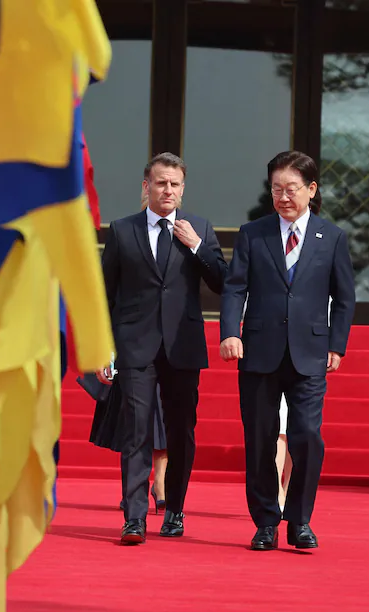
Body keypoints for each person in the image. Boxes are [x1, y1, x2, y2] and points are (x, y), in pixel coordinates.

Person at [220, 150, 356, 551]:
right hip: (259, 351)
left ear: (311, 190)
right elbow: (234, 287)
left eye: (291, 189)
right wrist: (231, 331)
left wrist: (337, 344)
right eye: (276, 189)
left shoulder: (331, 237)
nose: (283, 197)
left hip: (310, 353)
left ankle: (299, 520)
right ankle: (265, 522)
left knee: (307, 437)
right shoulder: (253, 233)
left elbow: (344, 297)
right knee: (261, 438)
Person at [101, 152, 227, 545]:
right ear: (146, 186)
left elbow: (223, 282)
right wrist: (103, 348)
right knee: (136, 430)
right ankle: (134, 517)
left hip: (182, 346)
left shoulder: (200, 229)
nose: (167, 190)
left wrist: (196, 247)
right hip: (135, 345)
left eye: (174, 184)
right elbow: (105, 294)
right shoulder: (122, 231)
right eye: (160, 183)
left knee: (180, 432)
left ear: (182, 189)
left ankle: (174, 509)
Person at [76, 369, 168, 514]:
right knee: (132, 422)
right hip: (131, 357)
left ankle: (159, 484)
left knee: (163, 417)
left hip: (163, 356)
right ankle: (131, 490)